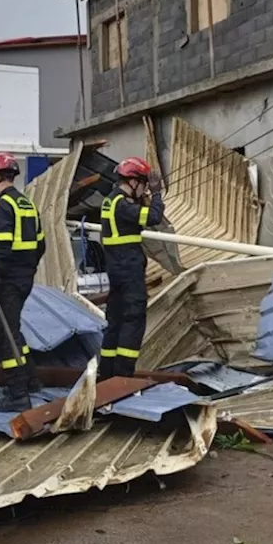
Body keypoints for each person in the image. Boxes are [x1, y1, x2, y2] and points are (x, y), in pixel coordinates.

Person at [0, 152, 46, 412]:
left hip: (7, 280)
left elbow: (2, 246)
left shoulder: (1, 206)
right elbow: (41, 244)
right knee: (13, 328)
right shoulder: (27, 204)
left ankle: (17, 394)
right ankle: (31, 380)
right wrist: (27, 268)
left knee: (4, 332)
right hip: (24, 277)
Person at [98, 157, 164, 380]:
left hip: (116, 270)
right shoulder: (123, 204)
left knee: (115, 320)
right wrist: (156, 195)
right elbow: (154, 217)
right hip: (129, 270)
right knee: (133, 320)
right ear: (134, 182)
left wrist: (143, 200)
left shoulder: (111, 200)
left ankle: (106, 374)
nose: (145, 188)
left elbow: (131, 223)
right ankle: (123, 376)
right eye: (144, 184)